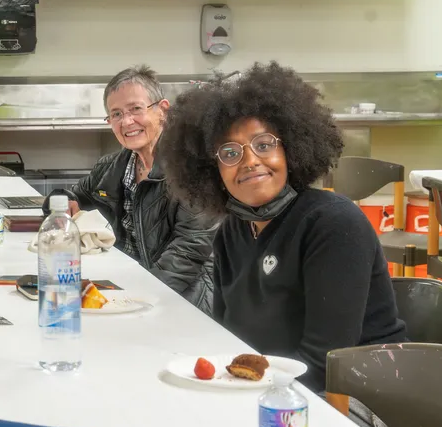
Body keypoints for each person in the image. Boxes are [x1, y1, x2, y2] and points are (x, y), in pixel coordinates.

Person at [158, 62, 408, 391]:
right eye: (230, 153)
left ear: (290, 149)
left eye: (264, 145)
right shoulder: (232, 231)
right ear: (211, 170)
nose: (249, 161)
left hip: (362, 399)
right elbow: (229, 342)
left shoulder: (333, 223)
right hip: (271, 388)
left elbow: (324, 364)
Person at [46, 66, 216, 311]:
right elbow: (72, 195)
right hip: (125, 289)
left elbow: (188, 252)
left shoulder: (192, 169)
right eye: (116, 114)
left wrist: (135, 299)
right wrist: (61, 201)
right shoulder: (112, 167)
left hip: (182, 302)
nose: (126, 122)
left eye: (136, 109)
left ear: (163, 111)